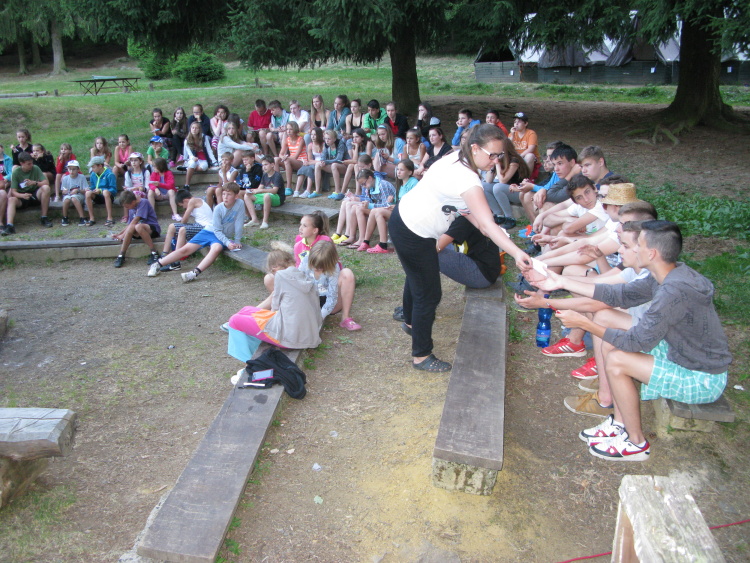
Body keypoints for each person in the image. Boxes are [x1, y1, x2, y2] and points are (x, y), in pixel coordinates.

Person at [531, 220, 732, 461]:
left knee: (617, 359)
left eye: (636, 245)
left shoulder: (674, 291)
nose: (626, 249)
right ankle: (619, 423)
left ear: (651, 253)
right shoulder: (667, 273)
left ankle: (636, 443)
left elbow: (635, 342)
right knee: (610, 339)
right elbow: (621, 294)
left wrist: (585, 324)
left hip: (701, 377)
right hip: (679, 354)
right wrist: (561, 282)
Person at [388, 123, 532, 372]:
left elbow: (474, 216)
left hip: (405, 221)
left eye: (500, 155)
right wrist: (517, 252)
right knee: (429, 294)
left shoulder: (456, 157)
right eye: (492, 155)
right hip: (413, 231)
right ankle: (421, 355)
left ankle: (411, 322)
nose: (496, 161)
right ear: (475, 148)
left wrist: (487, 228)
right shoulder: (467, 178)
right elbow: (486, 223)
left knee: (419, 277)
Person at [226, 242, 323, 349]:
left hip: (291, 339)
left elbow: (275, 307)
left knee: (234, 320)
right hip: (309, 335)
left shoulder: (281, 275)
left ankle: (247, 355)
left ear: (274, 268)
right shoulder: (303, 276)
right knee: (246, 310)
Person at [148, 182, 246, 282]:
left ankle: (193, 273)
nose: (225, 197)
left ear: (236, 196)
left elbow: (239, 222)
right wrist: (227, 242)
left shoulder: (240, 204)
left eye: (229, 194)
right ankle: (157, 264)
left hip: (221, 236)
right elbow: (216, 230)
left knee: (216, 248)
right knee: (185, 249)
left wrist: (237, 240)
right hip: (209, 231)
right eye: (224, 194)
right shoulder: (218, 208)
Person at [363, 159, 418, 254]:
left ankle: (383, 245)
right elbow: (398, 201)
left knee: (378, 212)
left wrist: (397, 206)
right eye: (398, 169)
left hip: (407, 214)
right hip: (399, 211)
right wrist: (392, 200)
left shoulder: (414, 183)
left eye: (402, 170)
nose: (398, 172)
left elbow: (414, 202)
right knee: (374, 211)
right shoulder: (400, 183)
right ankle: (366, 241)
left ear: (410, 172)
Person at [156, 189, 215, 272]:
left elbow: (184, 221)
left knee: (183, 229)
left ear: (185, 200)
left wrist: (184, 215)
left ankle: (175, 261)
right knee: (172, 226)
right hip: (200, 225)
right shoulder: (197, 201)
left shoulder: (192, 201)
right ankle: (164, 255)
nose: (183, 207)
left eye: (182, 205)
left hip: (205, 227)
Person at [437, 215, 501, 289]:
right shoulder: (472, 214)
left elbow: (437, 248)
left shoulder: (463, 219)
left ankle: (428, 291)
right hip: (488, 270)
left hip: (482, 275)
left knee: (430, 252)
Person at [481, 136, 531, 228]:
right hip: (507, 190)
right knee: (484, 185)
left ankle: (510, 218)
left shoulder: (514, 160)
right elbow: (488, 180)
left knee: (498, 187)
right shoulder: (500, 160)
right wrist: (493, 165)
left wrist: (497, 164)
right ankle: (498, 215)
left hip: (519, 191)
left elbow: (503, 180)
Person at [344, 169, 397, 250]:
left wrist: (370, 205)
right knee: (355, 207)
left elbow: (387, 205)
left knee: (359, 209)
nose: (363, 186)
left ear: (370, 178)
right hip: (378, 209)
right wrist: (358, 199)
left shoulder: (382, 185)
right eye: (361, 185)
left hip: (389, 211)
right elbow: (368, 199)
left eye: (364, 184)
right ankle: (352, 236)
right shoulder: (370, 186)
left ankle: (363, 239)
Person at [3, 151, 53, 235]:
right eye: (28, 164)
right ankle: (10, 226)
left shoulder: (35, 168)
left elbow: (46, 182)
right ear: (21, 163)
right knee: (11, 199)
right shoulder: (16, 172)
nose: (31, 165)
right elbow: (13, 191)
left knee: (46, 188)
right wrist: (22, 195)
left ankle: (44, 217)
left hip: (35, 194)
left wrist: (34, 183)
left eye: (32, 163)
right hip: (22, 196)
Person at [111, 190, 161, 268]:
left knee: (138, 226)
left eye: (127, 207)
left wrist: (122, 236)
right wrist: (119, 234)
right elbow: (130, 225)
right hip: (138, 231)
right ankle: (121, 255)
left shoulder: (143, 202)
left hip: (152, 229)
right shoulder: (131, 207)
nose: (127, 208)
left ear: (133, 202)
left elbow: (135, 220)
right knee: (134, 227)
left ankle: (154, 252)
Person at [244, 155, 284, 229]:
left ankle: (265, 221)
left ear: (272, 165)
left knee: (266, 195)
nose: (264, 167)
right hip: (267, 196)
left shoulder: (277, 175)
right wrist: (253, 191)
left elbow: (274, 191)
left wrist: (261, 190)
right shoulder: (265, 175)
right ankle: (254, 219)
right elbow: (260, 188)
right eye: (262, 165)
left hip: (278, 198)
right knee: (247, 196)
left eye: (266, 164)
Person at [183, 120, 218, 190]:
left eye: (196, 128)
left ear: (199, 129)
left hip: (203, 158)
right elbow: (189, 153)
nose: (194, 130)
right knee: (192, 163)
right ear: (190, 129)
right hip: (193, 158)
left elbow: (209, 150)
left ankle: (189, 168)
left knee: (204, 167)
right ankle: (187, 184)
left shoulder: (204, 138)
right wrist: (193, 157)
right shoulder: (187, 140)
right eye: (193, 128)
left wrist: (214, 161)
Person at [85, 155, 117, 227]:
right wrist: (90, 189)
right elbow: (92, 186)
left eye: (93, 167)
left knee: (105, 192)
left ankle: (109, 217)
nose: (92, 169)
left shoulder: (110, 174)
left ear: (100, 166)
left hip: (108, 196)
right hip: (97, 196)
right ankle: (91, 218)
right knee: (88, 193)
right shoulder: (93, 174)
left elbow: (113, 190)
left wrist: (101, 190)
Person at [277, 122, 307, 196]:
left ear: (295, 129)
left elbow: (296, 156)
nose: (288, 131)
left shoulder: (301, 140)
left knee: (287, 160)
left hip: (301, 161)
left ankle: (288, 187)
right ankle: (277, 185)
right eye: (287, 129)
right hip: (290, 161)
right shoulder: (286, 140)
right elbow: (281, 154)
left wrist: (286, 158)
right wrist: (282, 157)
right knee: (276, 160)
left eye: (290, 129)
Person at [295, 127, 325, 198]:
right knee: (303, 168)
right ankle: (296, 190)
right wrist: (311, 162)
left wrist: (313, 162)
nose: (313, 136)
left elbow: (324, 158)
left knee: (310, 168)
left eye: (315, 135)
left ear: (319, 135)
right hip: (315, 162)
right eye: (311, 134)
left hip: (322, 163)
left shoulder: (323, 144)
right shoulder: (310, 145)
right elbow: (310, 159)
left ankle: (307, 190)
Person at [121, 152, 152, 222]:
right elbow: (127, 186)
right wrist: (132, 189)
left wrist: (142, 188)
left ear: (140, 161)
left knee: (137, 194)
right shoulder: (128, 173)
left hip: (142, 192)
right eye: (132, 161)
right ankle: (126, 215)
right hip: (132, 191)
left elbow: (147, 186)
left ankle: (140, 215)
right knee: (125, 195)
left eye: (135, 160)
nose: (133, 162)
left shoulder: (145, 172)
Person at [319, 130, 349, 199]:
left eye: (329, 139)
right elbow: (323, 157)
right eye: (325, 138)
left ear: (334, 139)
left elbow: (339, 159)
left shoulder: (340, 144)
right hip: (333, 166)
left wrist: (326, 162)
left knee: (334, 165)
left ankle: (337, 191)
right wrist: (322, 162)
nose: (327, 141)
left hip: (344, 166)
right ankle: (317, 191)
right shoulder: (326, 145)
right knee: (318, 165)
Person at [59, 160, 90, 226]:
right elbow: (63, 191)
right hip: (69, 194)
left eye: (74, 169)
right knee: (66, 199)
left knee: (74, 198)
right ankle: (65, 217)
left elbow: (86, 190)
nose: (71, 171)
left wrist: (78, 190)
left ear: (78, 169)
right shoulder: (65, 178)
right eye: (70, 169)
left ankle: (82, 217)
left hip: (79, 195)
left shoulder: (81, 177)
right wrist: (66, 191)